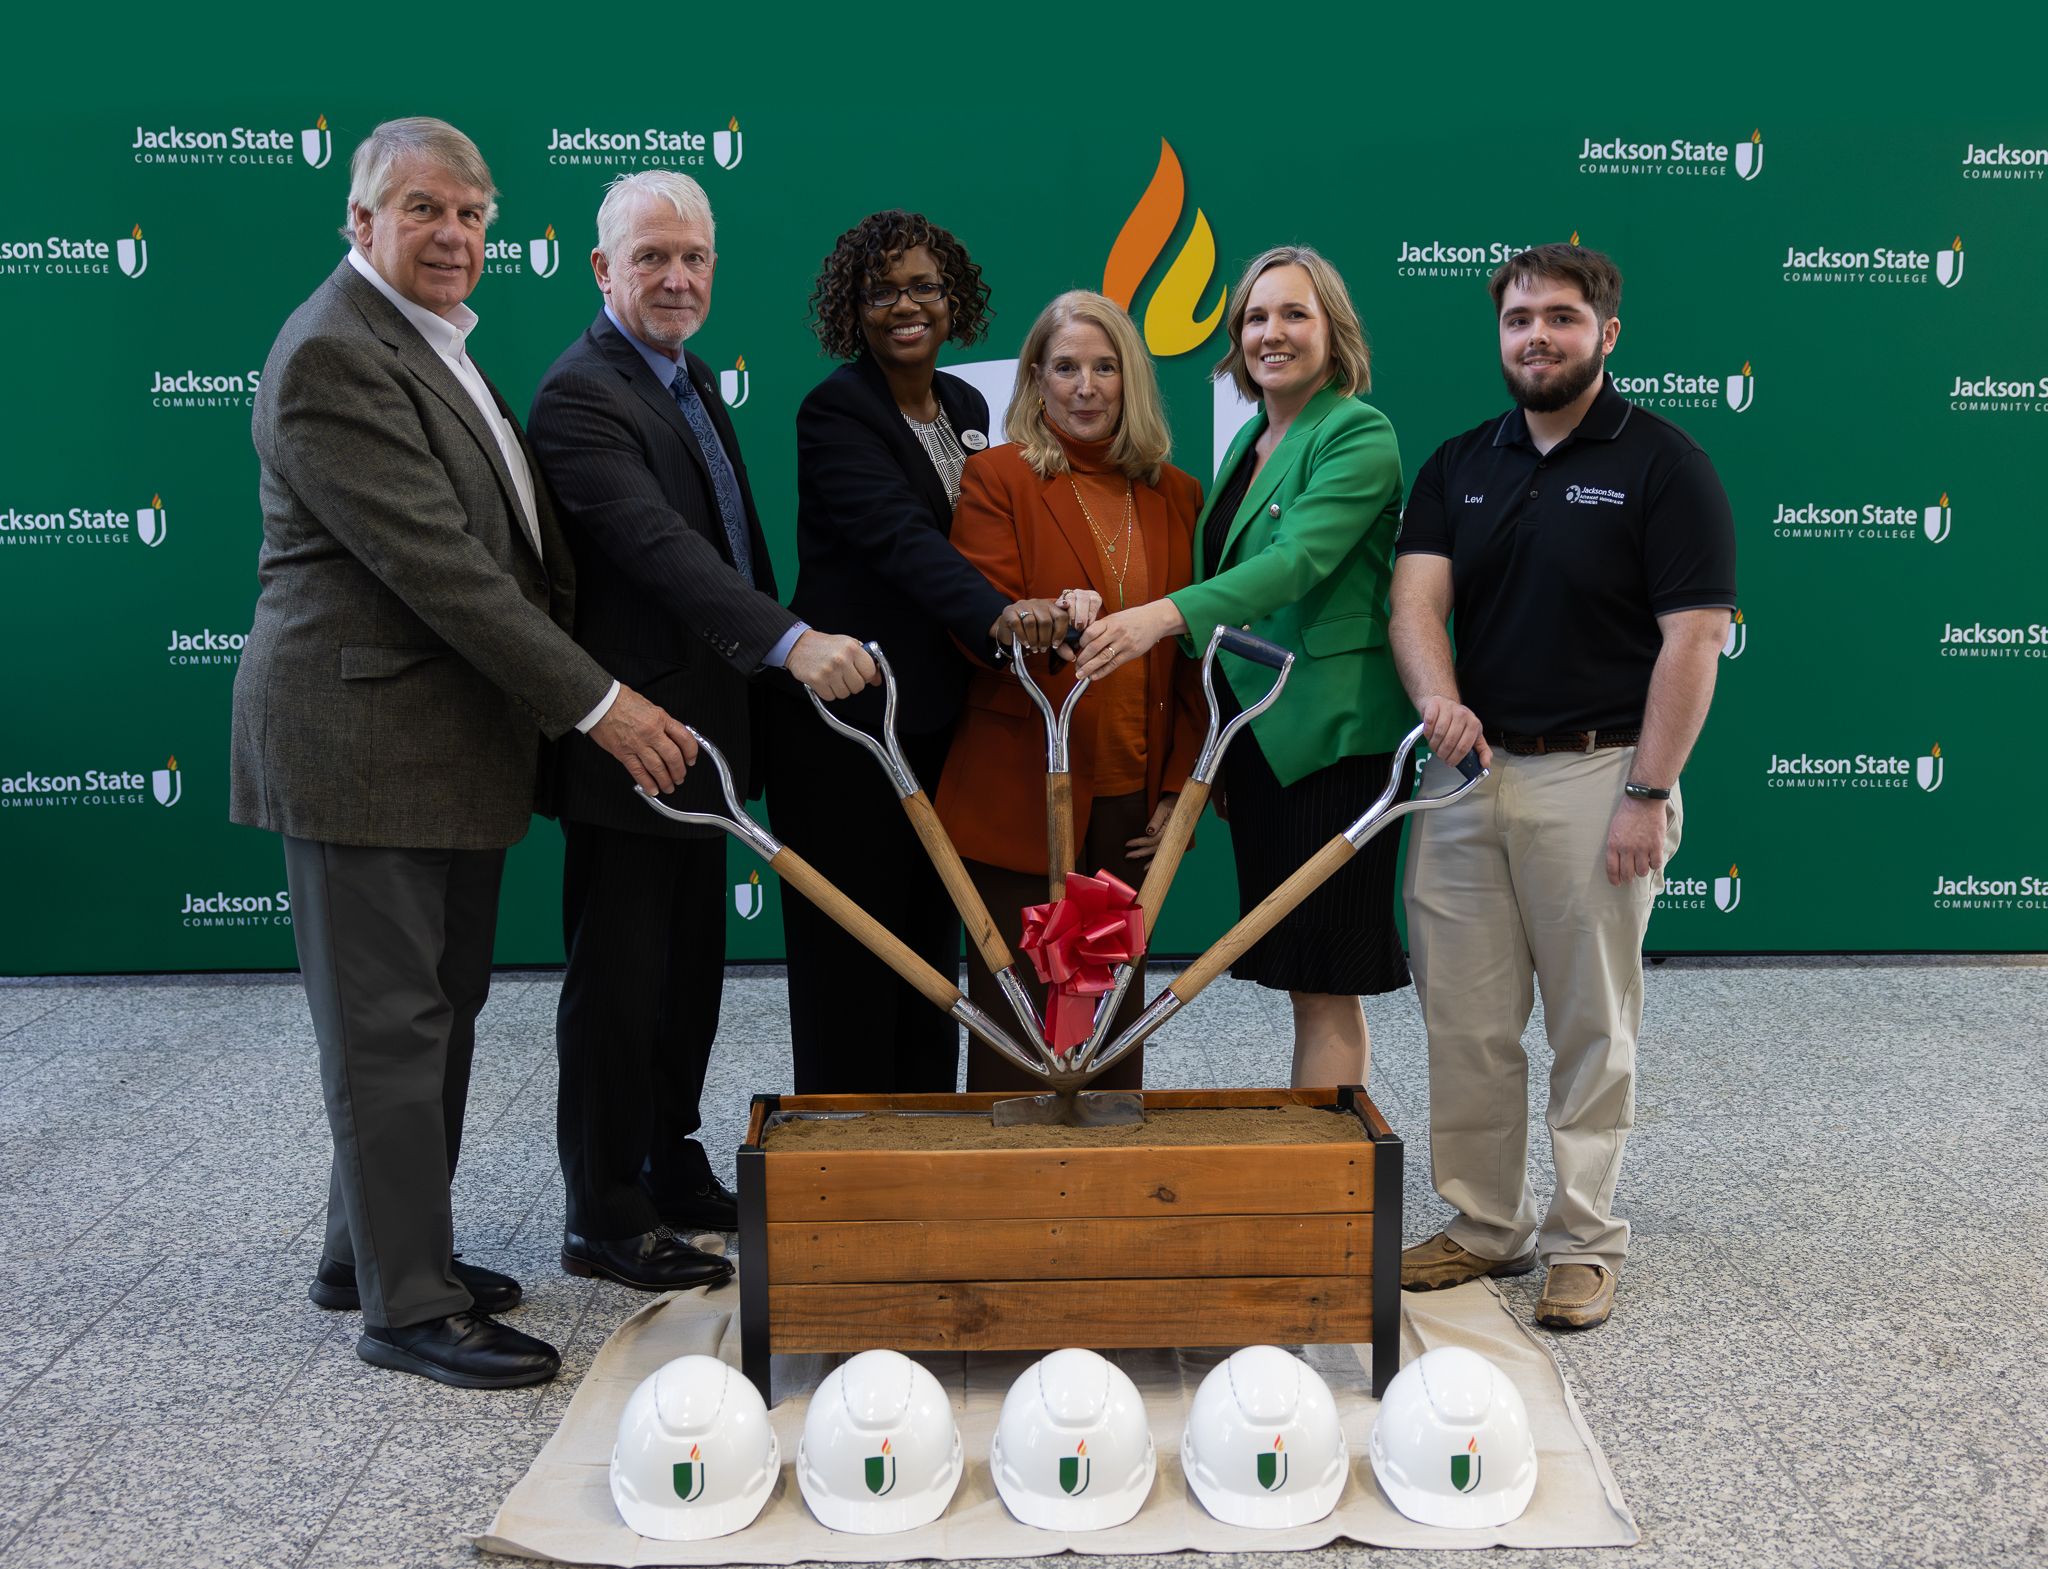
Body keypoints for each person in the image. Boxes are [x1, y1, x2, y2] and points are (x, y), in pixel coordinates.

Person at [232, 119, 703, 1389]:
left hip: (439, 746)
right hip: (363, 739)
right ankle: (408, 1305)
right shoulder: (336, 350)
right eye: (423, 210)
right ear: (361, 223)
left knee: (432, 1019)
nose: (452, 236)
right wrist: (601, 704)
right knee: (391, 1031)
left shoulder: (428, 344)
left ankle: (366, 1253)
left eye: (472, 216)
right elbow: (441, 571)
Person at [528, 171, 877, 1289]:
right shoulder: (583, 394)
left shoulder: (677, 379)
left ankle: (666, 1162)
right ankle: (601, 1211)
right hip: (630, 742)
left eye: (693, 258)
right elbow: (657, 551)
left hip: (706, 743)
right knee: (620, 981)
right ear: (601, 269)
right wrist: (790, 644)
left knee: (688, 976)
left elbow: (727, 545)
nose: (675, 277)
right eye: (650, 258)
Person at [1388, 243, 1735, 1330]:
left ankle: (1582, 1237)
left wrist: (1646, 791)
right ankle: (1482, 1224)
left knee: (1591, 1022)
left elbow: (1693, 639)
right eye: (1517, 319)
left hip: (1599, 775)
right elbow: (1412, 608)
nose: (1534, 335)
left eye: (1558, 317)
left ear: (1605, 335)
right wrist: (1438, 704)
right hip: (1464, 780)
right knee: (1466, 1020)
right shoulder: (1459, 463)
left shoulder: (1664, 464)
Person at [1077, 246, 1414, 1092]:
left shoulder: (1357, 432)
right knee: (1302, 969)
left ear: (1334, 332)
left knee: (1327, 974)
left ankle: (1331, 1185)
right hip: (1260, 737)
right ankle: (1316, 1167)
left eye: (1295, 314)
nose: (1273, 333)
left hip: (1332, 738)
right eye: (1256, 317)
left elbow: (1297, 563)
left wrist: (1163, 615)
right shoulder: (1253, 443)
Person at [763, 210, 1012, 1094]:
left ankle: (921, 1150)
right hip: (848, 736)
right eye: (880, 292)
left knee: (927, 956)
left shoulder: (969, 407)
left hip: (939, 727)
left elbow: (991, 537)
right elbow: (906, 543)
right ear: (852, 309)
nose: (904, 307)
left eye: (922, 287)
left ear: (954, 299)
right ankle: (841, 1169)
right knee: (851, 961)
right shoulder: (836, 411)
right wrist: (1007, 618)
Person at [936, 290, 1206, 1092]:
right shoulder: (998, 478)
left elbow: (1193, 658)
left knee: (1110, 1019)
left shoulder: (1177, 493)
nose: (1085, 386)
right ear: (1035, 379)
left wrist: (1177, 791)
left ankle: (1109, 1189)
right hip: (1026, 791)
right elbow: (978, 622)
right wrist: (1047, 620)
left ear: (1131, 379)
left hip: (1131, 799)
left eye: (1104, 366)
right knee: (1020, 1019)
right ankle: (1007, 1198)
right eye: (1065, 367)